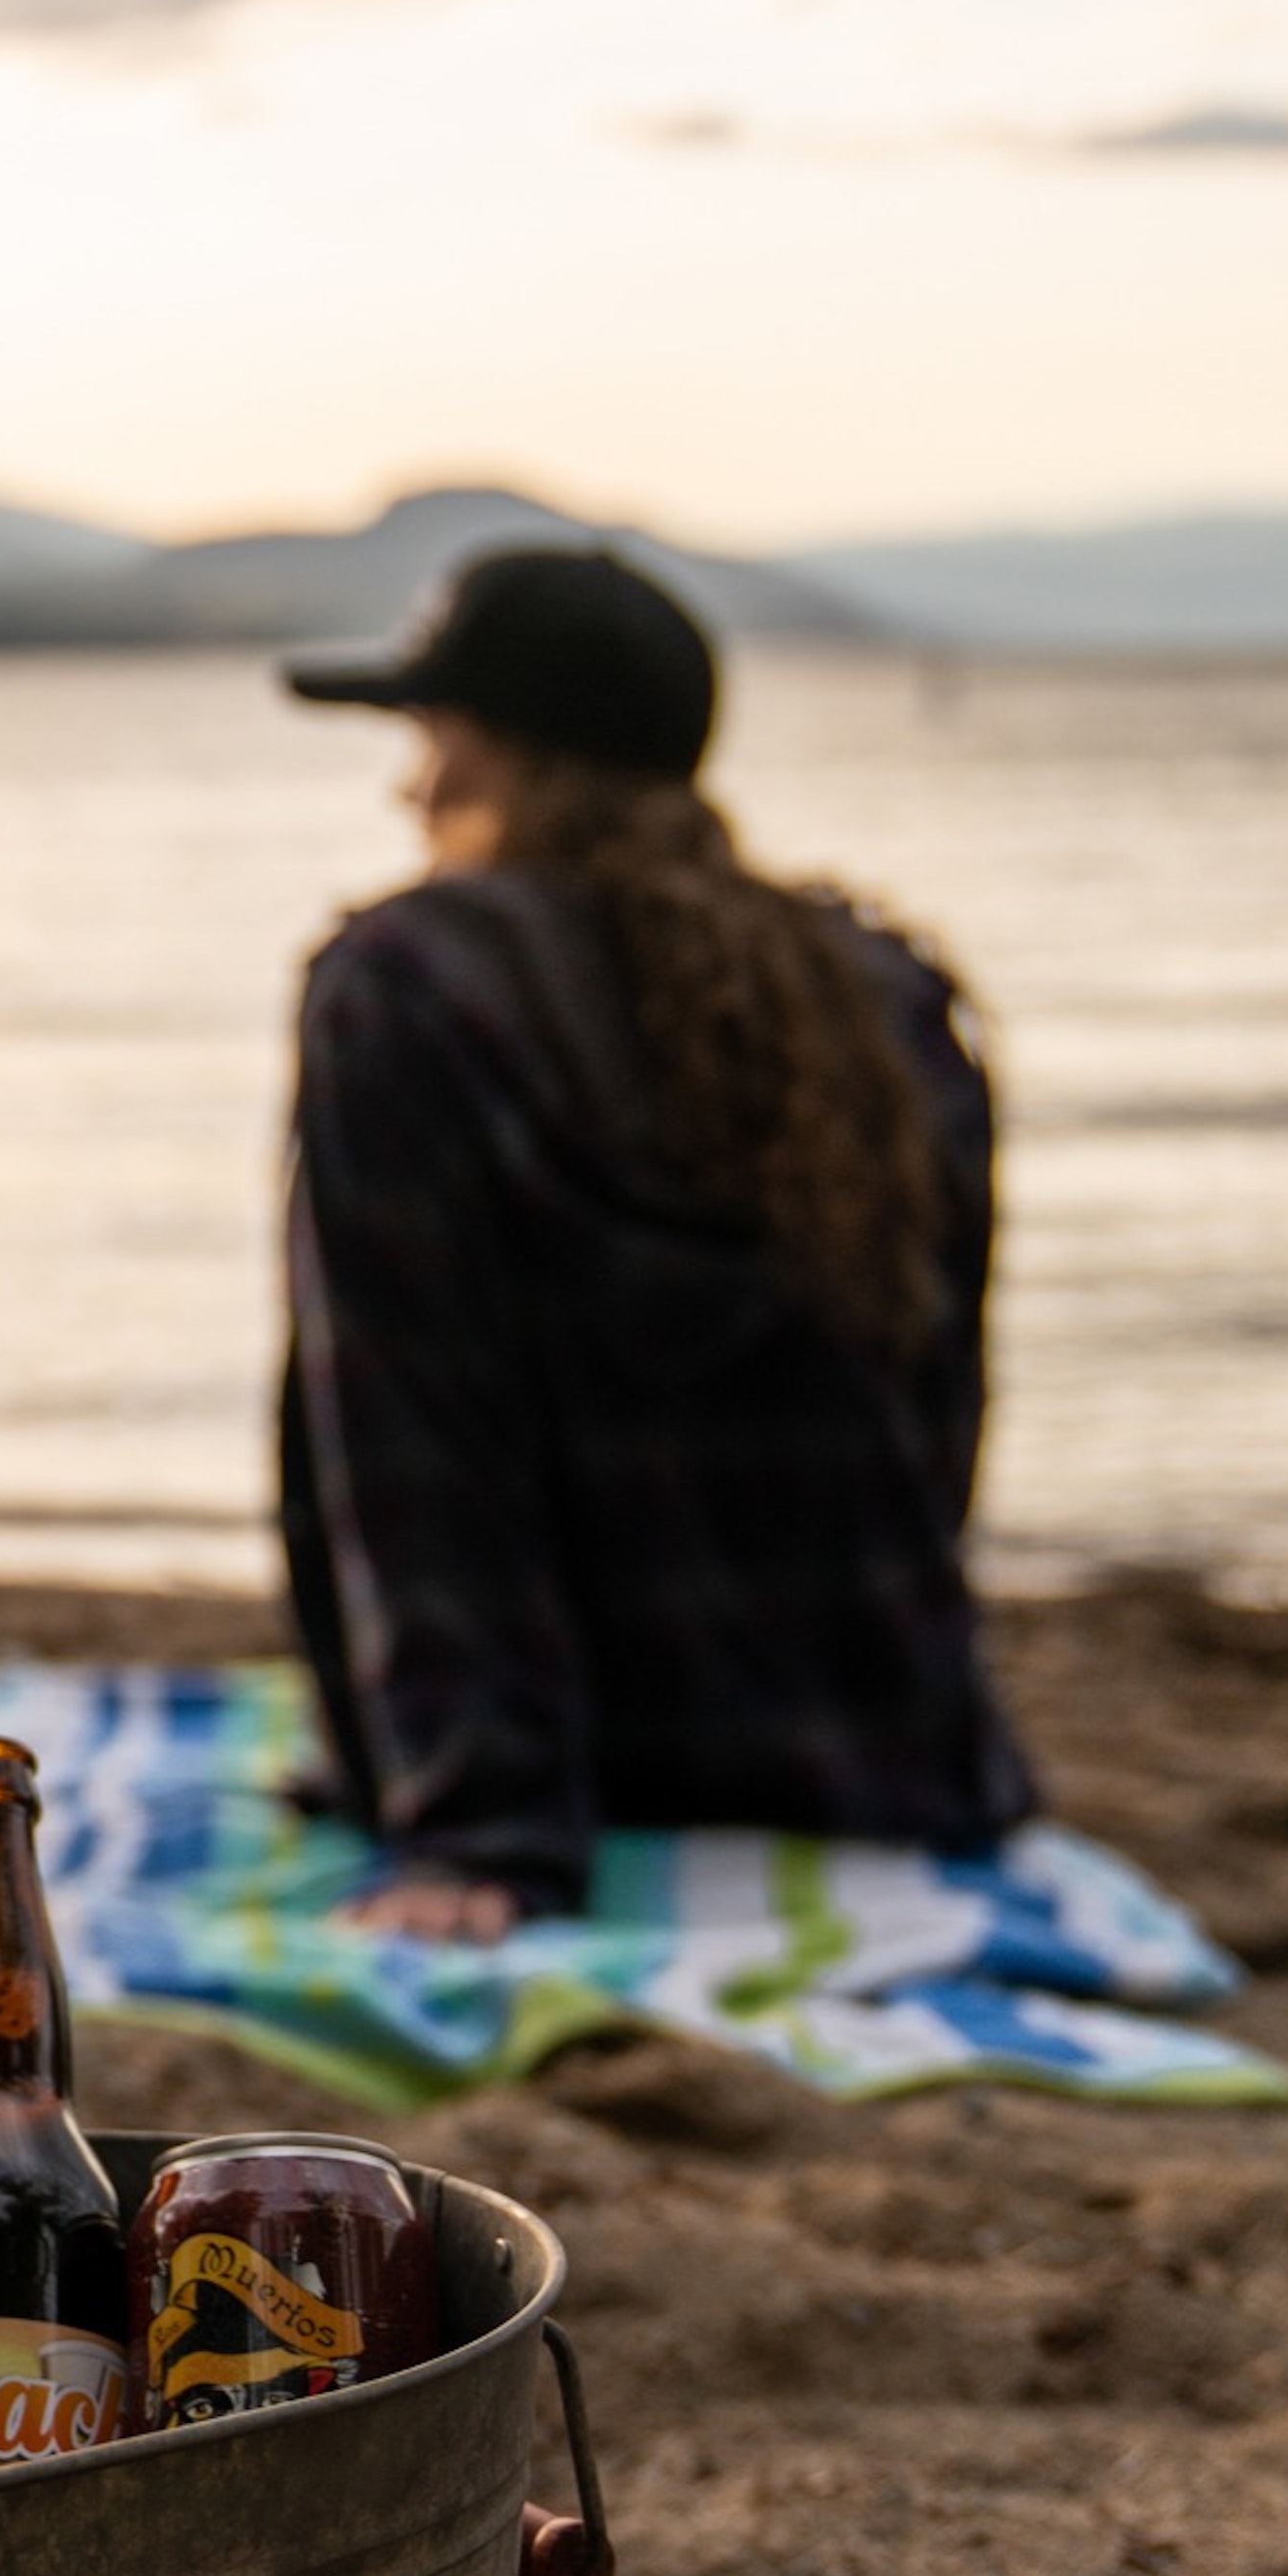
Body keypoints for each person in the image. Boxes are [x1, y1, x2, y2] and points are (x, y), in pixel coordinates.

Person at [273, 544, 1038, 1938]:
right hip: (880, 1755)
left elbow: (406, 1423)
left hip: (576, 1780)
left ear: (494, 744)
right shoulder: (889, 988)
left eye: (428, 735)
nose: (407, 784)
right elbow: (944, 1410)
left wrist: (475, 1830)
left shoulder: (406, 983)